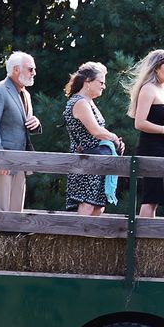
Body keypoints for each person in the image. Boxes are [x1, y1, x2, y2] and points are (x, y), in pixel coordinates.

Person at [0, 51, 40, 211]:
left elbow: (21, 124)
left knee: (15, 215)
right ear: (15, 70)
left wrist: (36, 123)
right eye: (30, 69)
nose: (34, 73)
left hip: (20, 161)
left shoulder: (25, 95)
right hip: (2, 162)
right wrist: (0, 159)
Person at [62, 62, 123, 216]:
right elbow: (95, 131)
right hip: (85, 161)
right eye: (101, 82)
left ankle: (89, 241)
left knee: (97, 207)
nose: (104, 86)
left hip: (95, 160)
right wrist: (114, 138)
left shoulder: (88, 102)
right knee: (87, 205)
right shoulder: (80, 102)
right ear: (87, 82)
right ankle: (78, 240)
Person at [127, 49, 164, 217]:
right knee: (150, 198)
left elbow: (157, 121)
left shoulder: (162, 90)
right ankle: (141, 240)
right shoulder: (148, 89)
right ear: (157, 68)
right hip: (151, 149)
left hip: (162, 150)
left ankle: (147, 241)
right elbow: (139, 123)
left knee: (155, 199)